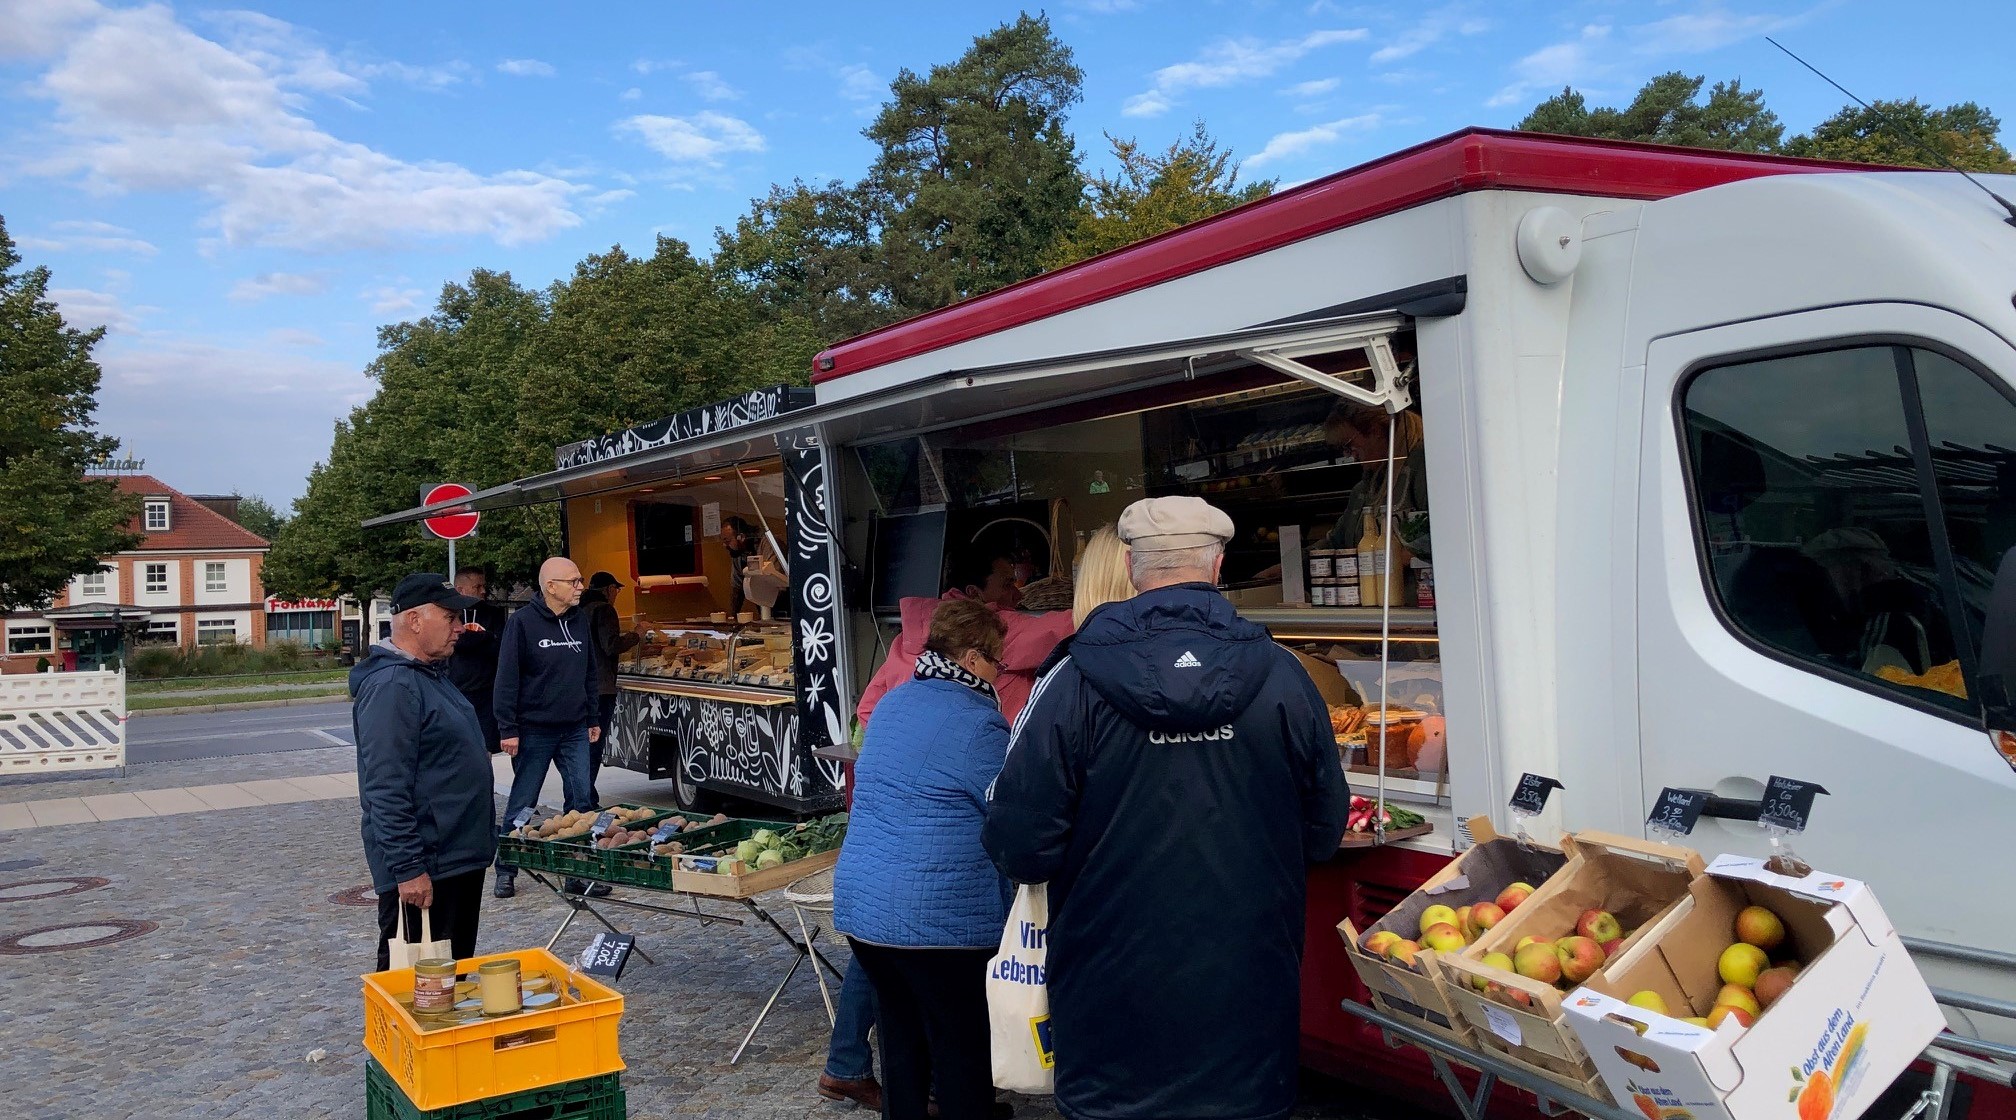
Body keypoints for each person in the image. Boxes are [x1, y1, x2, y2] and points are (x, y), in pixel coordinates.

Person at [984, 496, 1351, 1120]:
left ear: (1131, 566)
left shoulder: (1071, 679)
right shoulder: (1285, 675)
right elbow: (1323, 830)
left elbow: (1018, 843)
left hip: (1109, 1019)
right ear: (1218, 565)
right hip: (1247, 1019)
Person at [835, 600, 1013, 1120]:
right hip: (940, 919)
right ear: (973, 659)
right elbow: (1008, 813)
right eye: (997, 661)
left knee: (902, 1042)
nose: (1000, 672)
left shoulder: (893, 702)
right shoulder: (979, 724)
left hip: (865, 910)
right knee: (961, 1049)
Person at [352, 572, 495, 971]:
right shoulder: (393, 686)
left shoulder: (429, 674)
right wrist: (408, 867)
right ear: (414, 620)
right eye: (450, 617)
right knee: (417, 984)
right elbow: (385, 787)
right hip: (429, 865)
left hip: (454, 859)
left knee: (450, 981)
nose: (460, 627)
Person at [493, 556, 602, 899]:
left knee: (581, 801)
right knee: (524, 802)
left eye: (580, 580)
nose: (581, 587)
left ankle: (577, 871)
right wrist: (508, 728)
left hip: (574, 728)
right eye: (574, 581)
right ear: (551, 587)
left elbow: (590, 672)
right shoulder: (522, 623)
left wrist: (593, 717)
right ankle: (506, 868)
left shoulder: (580, 620)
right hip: (534, 730)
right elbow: (507, 678)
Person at [580, 571, 639, 804]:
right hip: (601, 688)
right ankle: (586, 798)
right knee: (594, 745)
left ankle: (582, 795)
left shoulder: (579, 610)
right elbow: (611, 645)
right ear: (609, 589)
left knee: (582, 746)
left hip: (582, 687)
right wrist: (636, 635)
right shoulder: (604, 610)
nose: (616, 594)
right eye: (617, 590)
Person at [446, 566, 510, 755]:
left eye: (484, 586)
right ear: (460, 589)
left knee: (485, 749)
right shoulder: (450, 613)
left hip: (487, 694)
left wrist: (470, 640)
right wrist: (486, 637)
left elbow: (500, 647)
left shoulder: (493, 614)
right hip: (456, 691)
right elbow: (455, 642)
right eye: (477, 587)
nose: (483, 591)